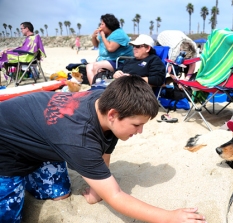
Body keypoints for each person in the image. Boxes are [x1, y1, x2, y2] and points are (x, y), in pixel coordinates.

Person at [0, 76, 206, 223]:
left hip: (40, 136)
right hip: (5, 147)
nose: (141, 131)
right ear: (113, 115)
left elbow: (105, 144)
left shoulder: (104, 99)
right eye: (136, 125)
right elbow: (115, 195)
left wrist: (97, 190)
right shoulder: (79, 139)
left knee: (59, 194)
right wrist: (170, 217)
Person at [86, 14, 133, 85]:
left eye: (102, 24)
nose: (100, 26)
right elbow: (96, 45)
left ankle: (99, 88)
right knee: (89, 66)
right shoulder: (105, 34)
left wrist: (103, 36)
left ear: (109, 25)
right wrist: (93, 37)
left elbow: (110, 48)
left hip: (120, 61)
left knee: (96, 66)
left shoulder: (118, 34)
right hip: (107, 60)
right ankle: (93, 88)